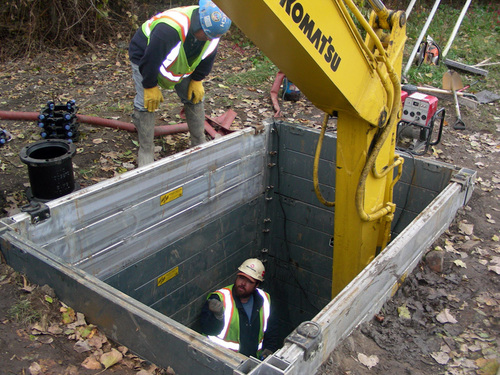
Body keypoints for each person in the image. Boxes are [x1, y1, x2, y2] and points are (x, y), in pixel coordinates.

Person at [128, 0, 231, 167]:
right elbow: (150, 59)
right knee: (146, 103)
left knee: (194, 97)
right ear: (198, 24)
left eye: (211, 37)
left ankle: (199, 143)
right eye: (205, 35)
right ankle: (146, 151)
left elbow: (208, 55)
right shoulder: (169, 30)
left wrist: (197, 79)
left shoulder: (213, 31)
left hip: (178, 59)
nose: (207, 39)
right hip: (145, 56)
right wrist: (150, 85)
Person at [201, 258, 278, 359]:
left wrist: (269, 349)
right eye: (241, 278)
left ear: (257, 285)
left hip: (252, 361)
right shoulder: (219, 299)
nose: (243, 283)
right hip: (222, 360)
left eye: (249, 281)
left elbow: (271, 330)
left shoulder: (265, 299)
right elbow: (207, 330)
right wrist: (218, 317)